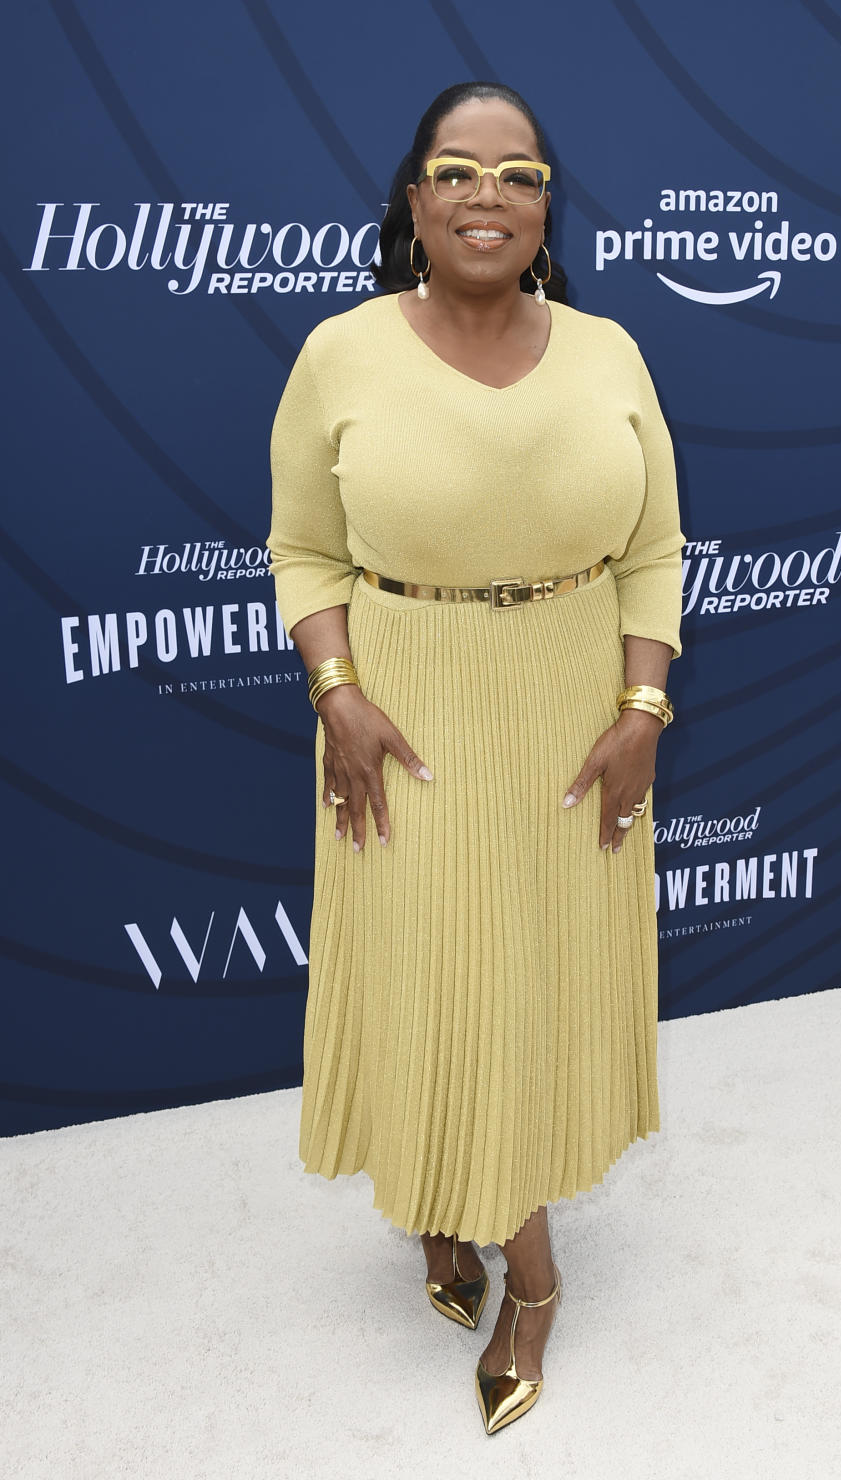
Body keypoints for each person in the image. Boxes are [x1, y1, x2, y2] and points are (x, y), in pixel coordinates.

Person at [266, 80, 685, 1435]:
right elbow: (308, 550)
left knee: (533, 982)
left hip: (573, 713)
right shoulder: (339, 353)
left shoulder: (613, 352)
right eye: (456, 169)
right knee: (432, 972)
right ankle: (486, 1233)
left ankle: (522, 1270)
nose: (487, 191)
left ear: (549, 205)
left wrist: (642, 713)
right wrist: (337, 695)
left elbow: (654, 553)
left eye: (517, 172)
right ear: (413, 199)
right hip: (406, 712)